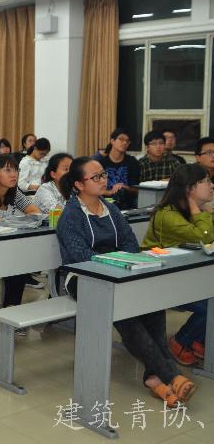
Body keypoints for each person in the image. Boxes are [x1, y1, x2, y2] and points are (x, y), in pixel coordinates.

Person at [56, 157, 196, 407]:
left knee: (151, 304)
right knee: (125, 313)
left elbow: (130, 243)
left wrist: (123, 263)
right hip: (84, 277)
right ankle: (171, 374)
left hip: (120, 270)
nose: (103, 180)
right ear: (79, 184)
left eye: (103, 175)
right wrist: (116, 262)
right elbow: (81, 256)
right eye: (96, 177)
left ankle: (155, 378)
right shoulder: (70, 215)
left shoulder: (111, 209)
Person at [141, 163, 212, 366]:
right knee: (210, 305)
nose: (211, 185)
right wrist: (199, 211)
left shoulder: (194, 210)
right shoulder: (167, 215)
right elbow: (204, 236)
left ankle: (198, 340)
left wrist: (200, 210)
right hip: (160, 281)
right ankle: (181, 341)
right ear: (189, 188)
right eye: (205, 181)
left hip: (186, 275)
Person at [0, 154, 45, 306]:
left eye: (16, 170)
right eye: (8, 170)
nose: (14, 174)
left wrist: (17, 221)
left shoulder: (14, 193)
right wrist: (20, 221)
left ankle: (11, 309)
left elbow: (36, 213)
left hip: (8, 247)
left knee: (19, 270)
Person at [97, 128, 140, 210]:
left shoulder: (132, 162)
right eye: (121, 139)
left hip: (127, 204)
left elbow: (136, 189)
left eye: (127, 141)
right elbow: (96, 188)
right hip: (105, 203)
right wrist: (111, 192)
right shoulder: (101, 163)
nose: (125, 143)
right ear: (112, 141)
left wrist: (123, 186)